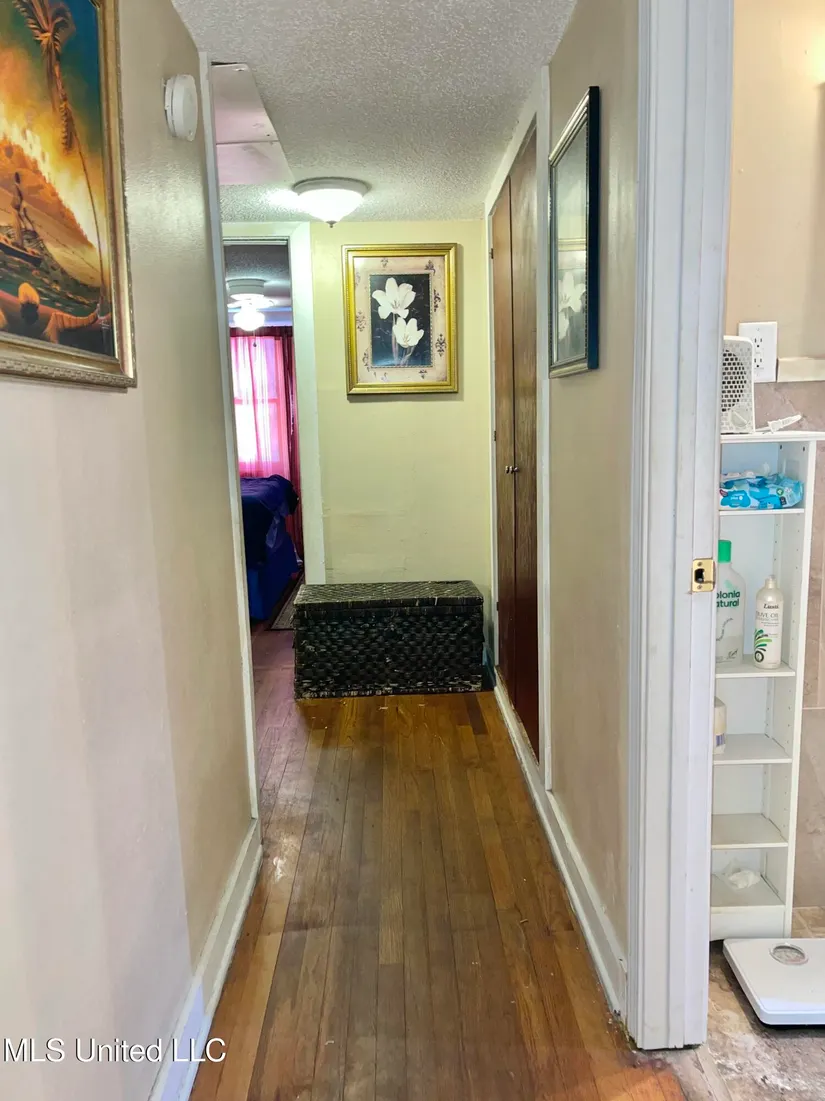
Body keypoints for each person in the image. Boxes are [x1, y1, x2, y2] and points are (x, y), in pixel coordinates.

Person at [10, 172, 36, 247]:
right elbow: (19, 199)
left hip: (15, 209)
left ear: (15, 179)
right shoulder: (18, 188)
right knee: (17, 226)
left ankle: (19, 243)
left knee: (16, 226)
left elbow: (18, 199)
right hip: (16, 208)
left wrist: (16, 207)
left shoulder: (16, 188)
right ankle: (19, 242)